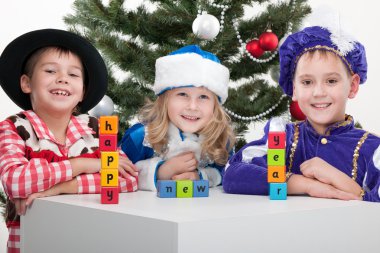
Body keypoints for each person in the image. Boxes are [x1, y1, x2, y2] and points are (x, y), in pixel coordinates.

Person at [0, 29, 138, 252]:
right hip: (33, 244)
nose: (63, 78)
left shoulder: (95, 129)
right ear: (27, 83)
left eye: (73, 75)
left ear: (82, 91)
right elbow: (16, 182)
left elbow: (128, 179)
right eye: (51, 70)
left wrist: (62, 187)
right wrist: (84, 165)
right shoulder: (14, 128)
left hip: (86, 240)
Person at [223, 26, 380, 202]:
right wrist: (306, 184)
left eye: (331, 81)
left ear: (352, 85)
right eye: (307, 82)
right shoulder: (283, 137)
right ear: (294, 89)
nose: (318, 92)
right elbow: (233, 173)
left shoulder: (372, 149)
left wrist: (338, 179)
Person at [120, 45, 235, 191]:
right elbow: (115, 174)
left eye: (203, 97)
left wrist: (200, 176)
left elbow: (228, 173)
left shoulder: (221, 140)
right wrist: (161, 172)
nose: (193, 106)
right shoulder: (141, 137)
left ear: (215, 106)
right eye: (182, 94)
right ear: (165, 100)